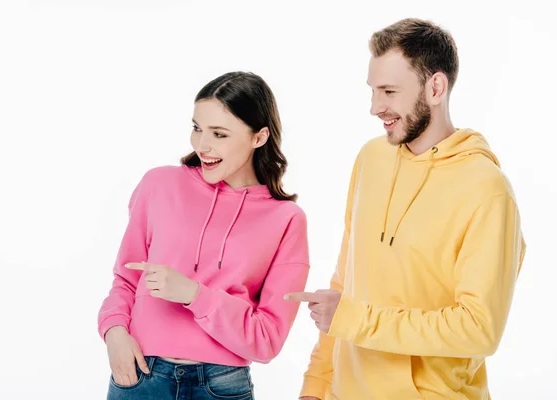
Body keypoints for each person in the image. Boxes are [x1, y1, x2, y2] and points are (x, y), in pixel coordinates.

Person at [286, 18, 526, 400]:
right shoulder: (371, 158)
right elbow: (346, 281)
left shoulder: (487, 189)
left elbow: (479, 328)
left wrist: (352, 319)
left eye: (389, 91)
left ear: (436, 87)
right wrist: (316, 385)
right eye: (372, 90)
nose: (374, 107)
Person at [98, 71, 310, 400]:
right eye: (197, 128)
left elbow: (268, 340)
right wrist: (114, 334)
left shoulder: (285, 220)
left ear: (259, 137)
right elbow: (125, 279)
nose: (202, 146)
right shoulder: (159, 185)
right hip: (140, 375)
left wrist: (195, 294)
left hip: (221, 386)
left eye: (219, 134)